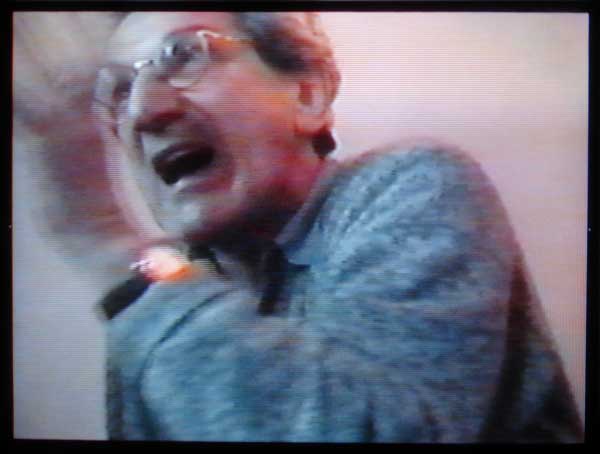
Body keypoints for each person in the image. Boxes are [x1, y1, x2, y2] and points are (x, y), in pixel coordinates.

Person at [93, 12, 583, 442]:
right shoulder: (160, 298)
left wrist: (103, 237)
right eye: (119, 91)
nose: (144, 111)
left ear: (308, 93)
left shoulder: (415, 184)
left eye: (182, 56)